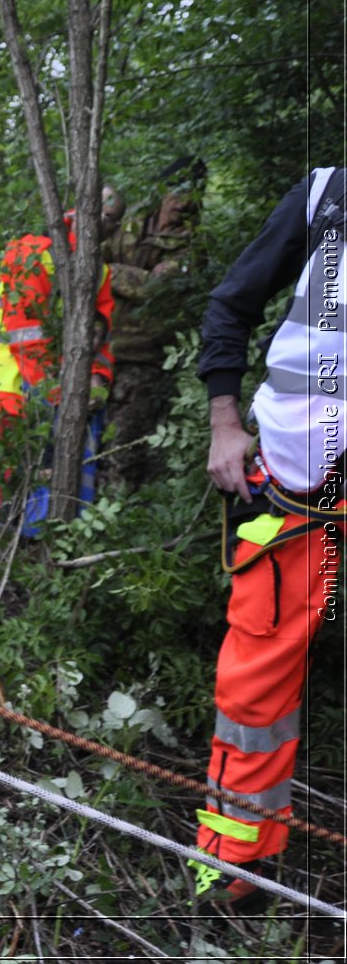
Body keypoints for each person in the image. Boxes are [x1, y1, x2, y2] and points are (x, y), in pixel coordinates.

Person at [190, 165, 344, 913]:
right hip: (294, 484)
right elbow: (232, 303)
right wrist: (224, 421)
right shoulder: (326, 195)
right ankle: (231, 867)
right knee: (254, 684)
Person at [0, 197, 120, 535]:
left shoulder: (99, 271)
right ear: (75, 210)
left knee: (56, 459)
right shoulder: (33, 252)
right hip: (9, 372)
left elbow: (103, 336)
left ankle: (45, 535)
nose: (101, 220)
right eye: (97, 209)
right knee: (14, 463)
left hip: (54, 379)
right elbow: (26, 335)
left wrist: (97, 381)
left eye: (111, 217)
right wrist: (60, 394)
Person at [105, 157, 209, 488]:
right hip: (101, 351)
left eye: (194, 194)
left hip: (145, 360)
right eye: (179, 193)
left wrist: (109, 273)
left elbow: (155, 288)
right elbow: (88, 258)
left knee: (125, 452)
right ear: (164, 191)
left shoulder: (193, 244)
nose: (185, 203)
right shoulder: (131, 222)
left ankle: (119, 521)